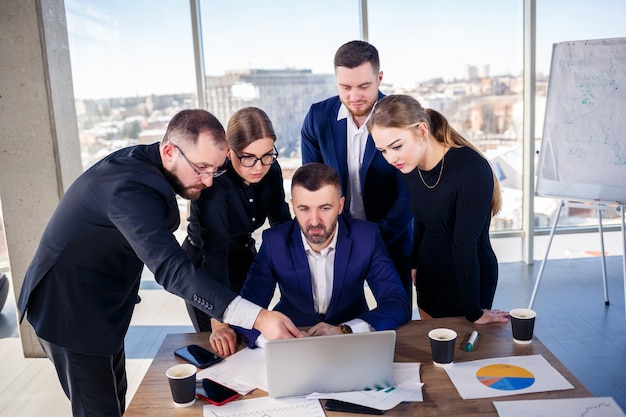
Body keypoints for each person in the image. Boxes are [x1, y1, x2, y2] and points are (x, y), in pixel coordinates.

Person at [17, 109, 300, 417]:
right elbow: (171, 268)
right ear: (169, 151)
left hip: (104, 305)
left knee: (115, 400)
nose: (208, 181)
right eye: (201, 168)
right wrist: (257, 317)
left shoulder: (150, 166)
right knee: (98, 410)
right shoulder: (131, 189)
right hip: (70, 310)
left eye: (215, 170)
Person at [232, 162, 411, 353]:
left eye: (325, 208)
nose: (315, 221)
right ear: (293, 205)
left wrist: (347, 330)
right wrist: (271, 344)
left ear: (340, 205)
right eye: (304, 209)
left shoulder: (366, 237)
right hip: (292, 342)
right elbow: (245, 311)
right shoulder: (274, 242)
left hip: (351, 342)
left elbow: (397, 302)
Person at [367, 94, 509, 324]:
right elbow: (422, 218)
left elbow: (466, 244)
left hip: (468, 281)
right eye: (383, 150)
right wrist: (415, 263)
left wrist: (475, 312)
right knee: (432, 354)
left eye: (396, 146)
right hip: (429, 276)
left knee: (464, 355)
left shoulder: (471, 169)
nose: (390, 158)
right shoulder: (410, 167)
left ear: (422, 130)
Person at [301, 40, 414, 309]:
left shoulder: (401, 117)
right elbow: (312, 186)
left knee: (397, 317)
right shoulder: (318, 118)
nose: (354, 96)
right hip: (336, 239)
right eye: (345, 87)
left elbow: (408, 194)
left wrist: (371, 241)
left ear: (379, 78)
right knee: (335, 319)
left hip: (392, 238)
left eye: (364, 86)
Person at [183, 107, 291, 342]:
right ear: (229, 151)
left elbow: (281, 222)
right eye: (248, 157)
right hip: (204, 265)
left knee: (248, 334)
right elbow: (215, 252)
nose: (259, 167)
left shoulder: (270, 169)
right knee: (218, 342)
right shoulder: (215, 181)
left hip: (243, 252)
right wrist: (218, 322)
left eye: (266, 155)